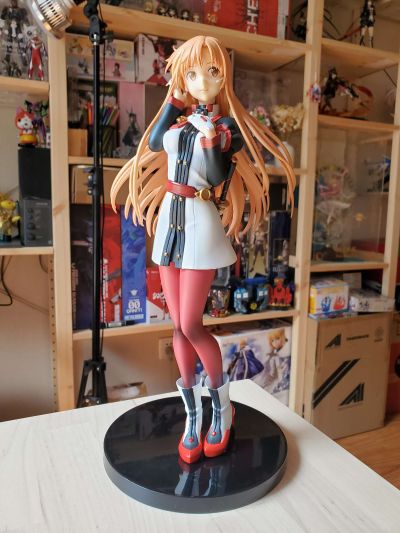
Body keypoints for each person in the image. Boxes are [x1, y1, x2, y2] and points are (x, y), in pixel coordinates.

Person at [111, 35, 295, 463]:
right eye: (193, 73)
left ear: (223, 77)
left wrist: (211, 136)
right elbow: (155, 143)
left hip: (199, 224)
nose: (203, 81)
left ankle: (222, 410)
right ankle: (193, 414)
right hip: (170, 225)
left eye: (212, 72)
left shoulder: (227, 129)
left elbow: (214, 175)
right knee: (177, 327)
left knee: (192, 324)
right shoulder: (179, 122)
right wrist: (174, 104)